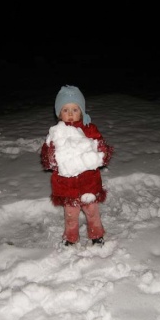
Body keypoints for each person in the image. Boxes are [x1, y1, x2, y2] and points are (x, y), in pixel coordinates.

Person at [41, 85, 113, 246]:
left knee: (92, 212)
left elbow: (101, 146)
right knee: (70, 215)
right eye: (65, 110)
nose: (71, 114)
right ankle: (71, 238)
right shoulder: (56, 133)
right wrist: (52, 154)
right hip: (67, 187)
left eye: (75, 109)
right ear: (59, 113)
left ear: (82, 111)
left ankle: (96, 235)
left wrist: (101, 153)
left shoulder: (89, 129)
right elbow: (48, 159)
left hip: (89, 183)